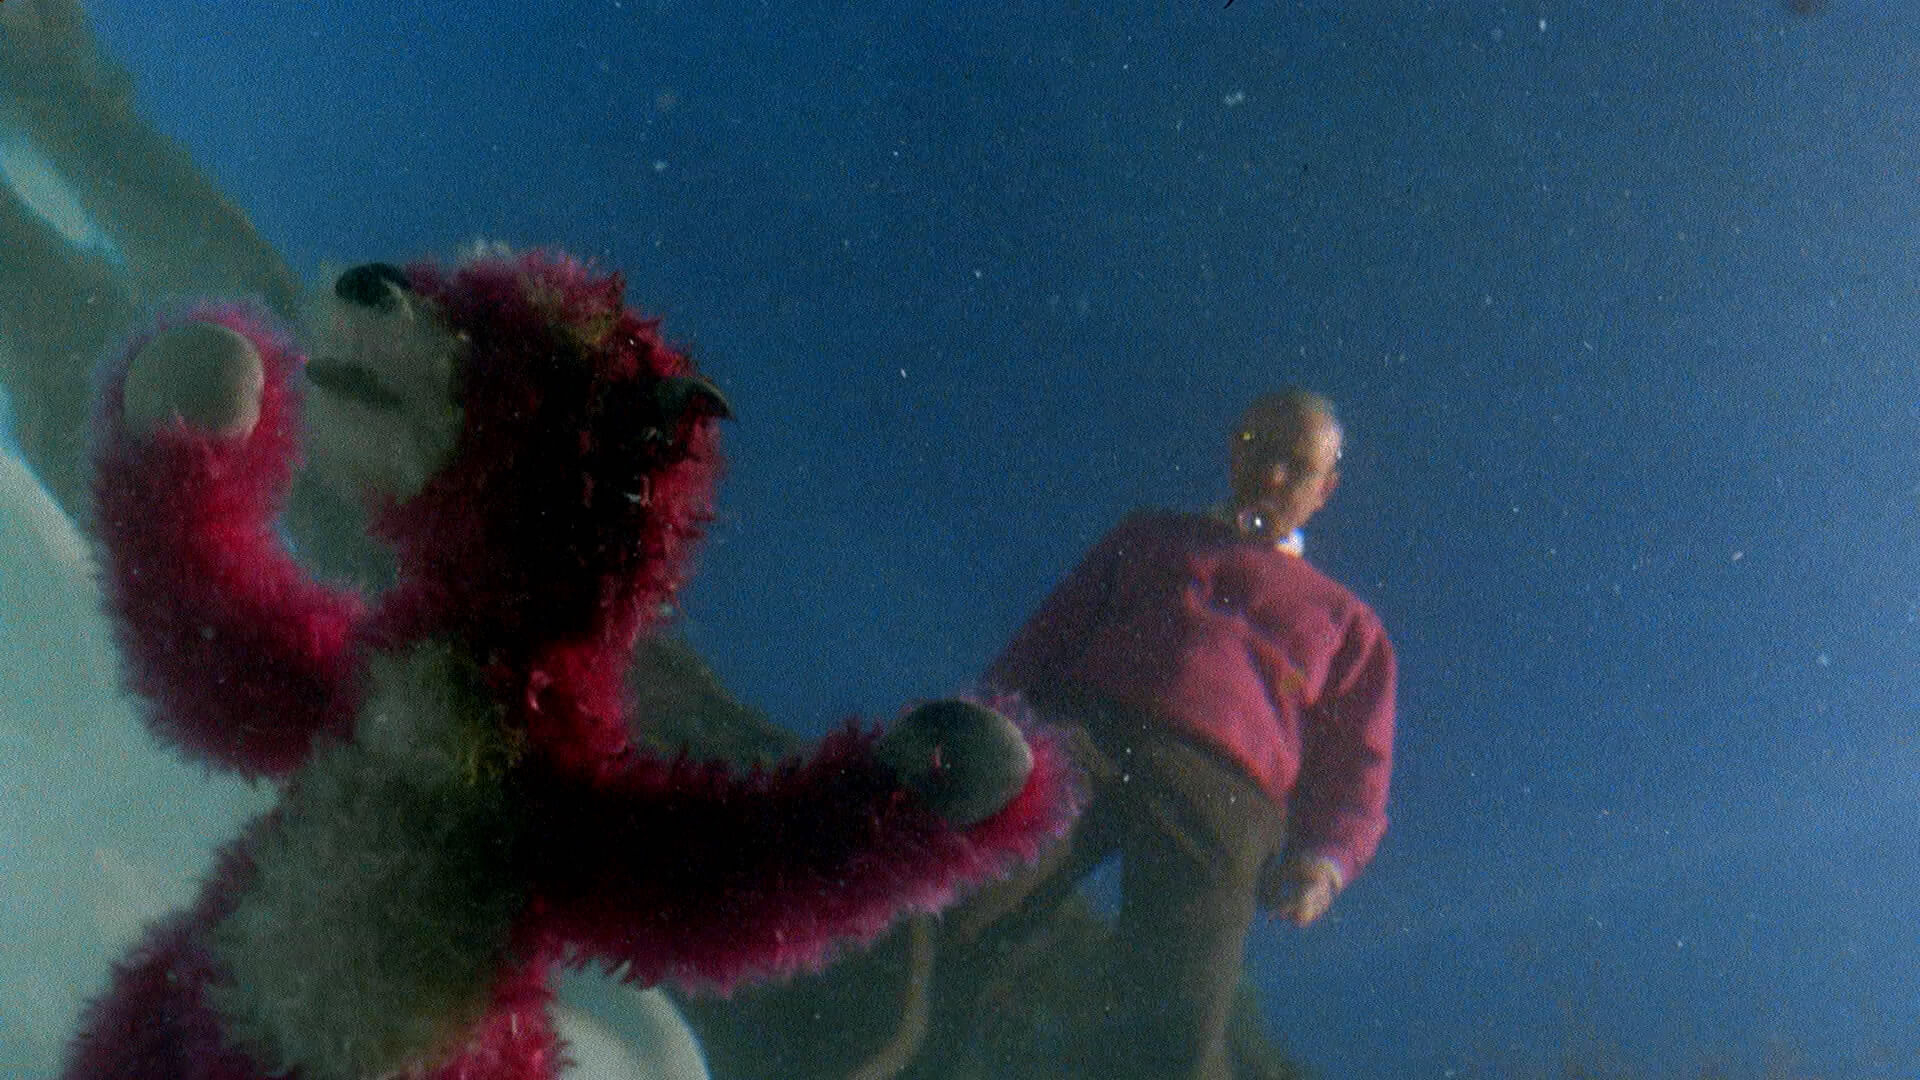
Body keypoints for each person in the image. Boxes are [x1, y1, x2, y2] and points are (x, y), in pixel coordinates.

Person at [921, 389, 1397, 1080]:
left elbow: (1360, 763)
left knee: (1178, 1011)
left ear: (1326, 490)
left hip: (1228, 793)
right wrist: (979, 727)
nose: (1271, 476)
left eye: (1297, 467)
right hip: (1088, 734)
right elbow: (1050, 635)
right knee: (961, 900)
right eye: (1260, 449)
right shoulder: (1150, 537)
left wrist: (1326, 860)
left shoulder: (1348, 622)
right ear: (1233, 449)